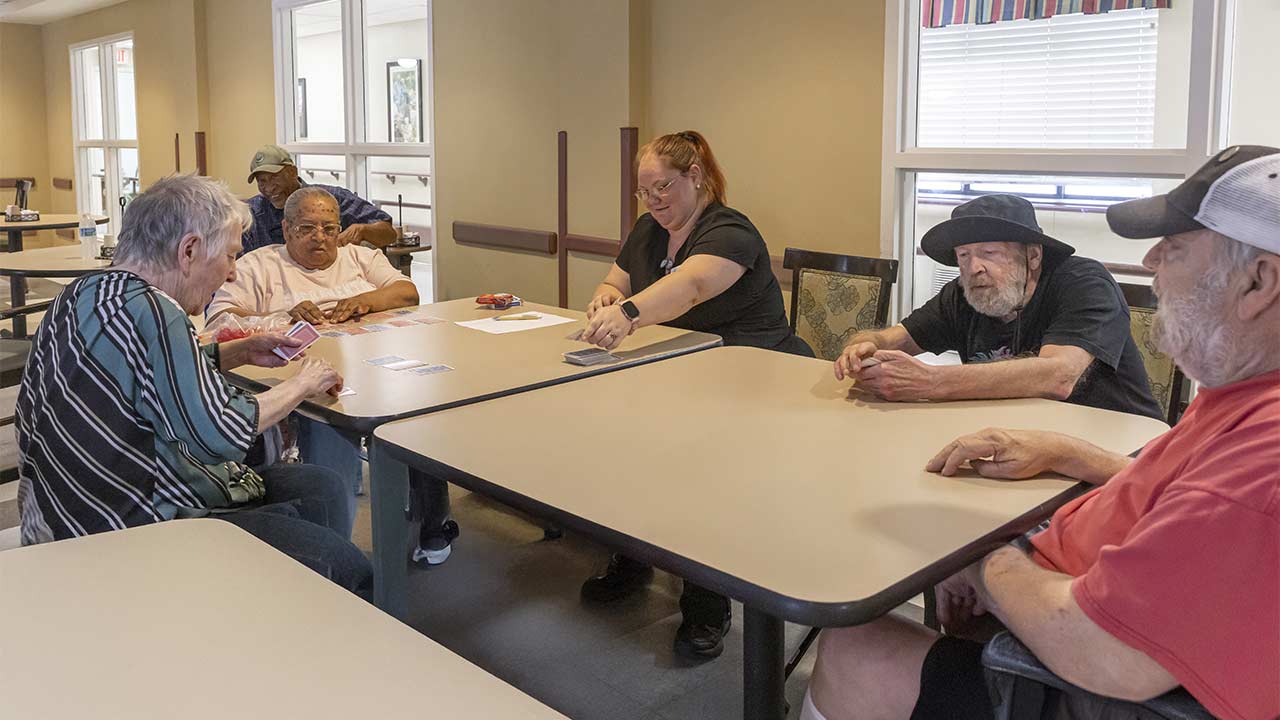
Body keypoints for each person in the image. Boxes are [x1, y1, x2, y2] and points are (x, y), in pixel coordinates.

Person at [801, 145, 1280, 720]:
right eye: (964, 254)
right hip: (1059, 554)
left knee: (853, 644)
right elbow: (1175, 490)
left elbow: (1110, 657)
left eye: (1174, 247)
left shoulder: (1260, 461)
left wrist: (984, 561)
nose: (1151, 263)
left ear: (1259, 282)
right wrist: (1063, 451)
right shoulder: (1240, 394)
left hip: (1081, 662)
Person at [15, 174, 372, 594]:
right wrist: (304, 382)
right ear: (189, 251)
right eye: (230, 257)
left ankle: (295, 601)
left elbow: (140, 368)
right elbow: (222, 432)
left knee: (320, 485)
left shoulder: (88, 291)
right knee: (349, 566)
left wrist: (236, 352)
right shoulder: (157, 312)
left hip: (53, 510)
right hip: (127, 526)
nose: (233, 273)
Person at [579, 130, 813, 661]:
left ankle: (708, 606)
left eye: (664, 187)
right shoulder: (647, 229)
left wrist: (629, 312)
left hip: (756, 379)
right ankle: (631, 559)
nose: (654, 200)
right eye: (644, 191)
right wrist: (605, 297)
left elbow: (691, 287)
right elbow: (615, 280)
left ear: (696, 177)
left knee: (698, 475)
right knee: (616, 446)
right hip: (679, 374)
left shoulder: (731, 231)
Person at [205, 186, 455, 563]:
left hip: (375, 368)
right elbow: (221, 316)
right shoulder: (260, 265)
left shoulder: (359, 256)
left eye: (329, 228)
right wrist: (282, 316)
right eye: (307, 228)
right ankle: (336, 547)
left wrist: (365, 301)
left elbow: (406, 293)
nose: (320, 237)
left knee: (417, 412)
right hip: (300, 377)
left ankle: (433, 523)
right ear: (286, 230)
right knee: (330, 422)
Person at [834, 194, 1161, 420]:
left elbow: (1058, 375)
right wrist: (867, 348)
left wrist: (931, 381)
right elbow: (895, 338)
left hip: (1119, 453)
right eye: (964, 255)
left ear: (1033, 256)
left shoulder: (1083, 282)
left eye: (989, 253)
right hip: (1020, 443)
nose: (973, 267)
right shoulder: (962, 296)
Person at [242, 144, 397, 256]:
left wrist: (362, 230)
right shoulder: (251, 213)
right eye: (262, 181)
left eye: (274, 177)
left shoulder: (333, 199)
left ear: (292, 172)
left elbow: (389, 233)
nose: (269, 188)